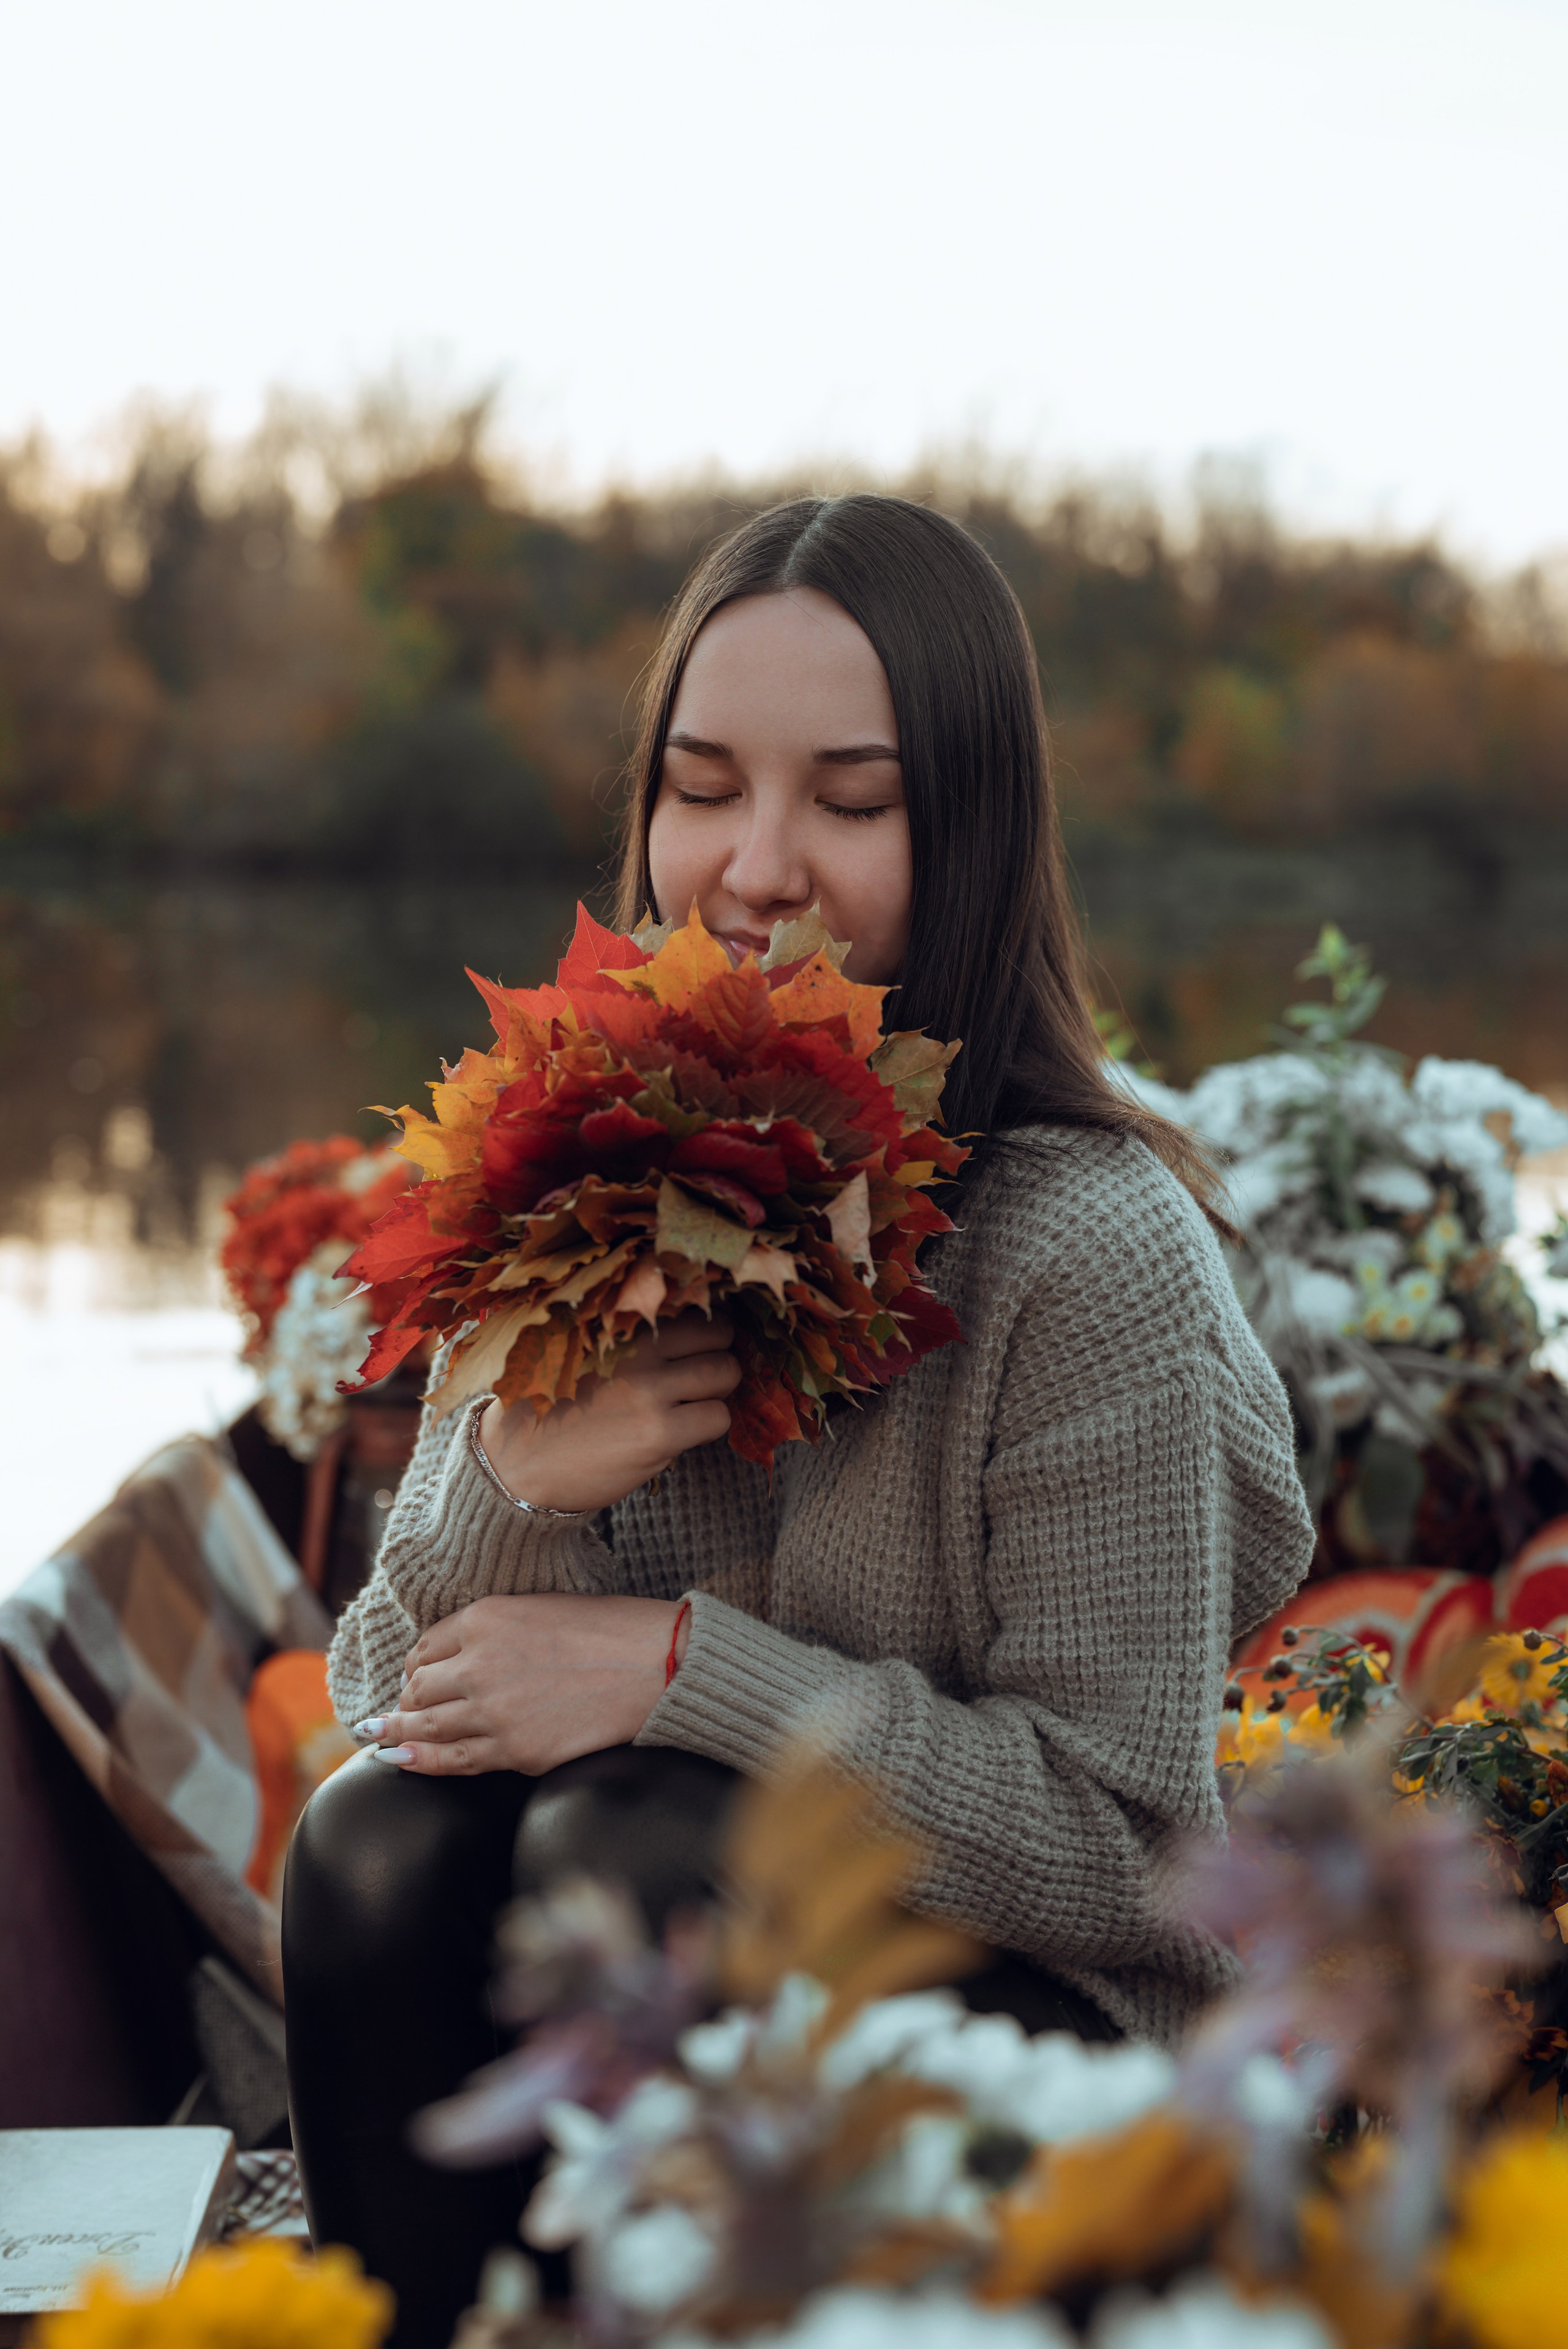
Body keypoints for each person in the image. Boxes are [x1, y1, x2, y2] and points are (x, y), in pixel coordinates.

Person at [283, 494, 1314, 2344]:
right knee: (372, 1850)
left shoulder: (1091, 1246)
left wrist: (682, 1667)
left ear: (971, 831)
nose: (756, 865)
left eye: (852, 800)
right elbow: (385, 1694)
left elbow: (1125, 1852)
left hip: (1059, 2044)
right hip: (693, 1962)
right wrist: (520, 1476)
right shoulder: (574, 1169)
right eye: (703, 786)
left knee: (637, 1846)